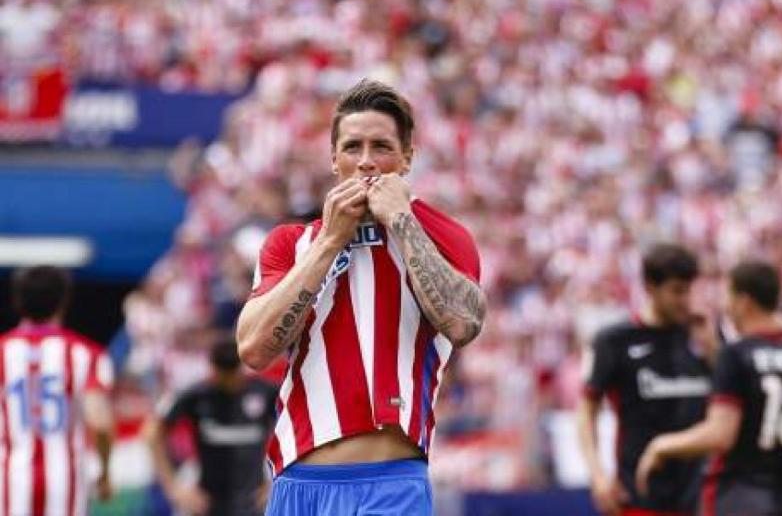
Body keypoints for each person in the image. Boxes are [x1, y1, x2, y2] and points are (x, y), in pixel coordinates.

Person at [235, 78, 486, 516]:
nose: (367, 162)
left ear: (407, 157)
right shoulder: (290, 243)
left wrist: (401, 221)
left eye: (382, 147)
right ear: (334, 159)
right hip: (299, 485)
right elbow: (254, 349)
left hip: (390, 484)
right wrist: (330, 242)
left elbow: (464, 324)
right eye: (352, 148)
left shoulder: (444, 236)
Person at [636, 261, 782, 516]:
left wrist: (662, 445)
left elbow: (720, 434)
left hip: (735, 495)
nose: (725, 306)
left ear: (744, 301)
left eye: (728, 296)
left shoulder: (737, 354)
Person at [577, 244, 714, 516]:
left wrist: (714, 351)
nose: (685, 300)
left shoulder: (702, 336)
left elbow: (725, 405)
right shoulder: (615, 340)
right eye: (676, 290)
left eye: (688, 290)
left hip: (698, 501)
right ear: (650, 287)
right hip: (639, 499)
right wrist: (598, 476)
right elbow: (586, 410)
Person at [0, 265, 114, 516]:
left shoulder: (2, 351)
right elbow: (100, 422)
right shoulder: (87, 354)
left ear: (17, 301)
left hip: (8, 482)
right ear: (64, 301)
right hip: (65, 483)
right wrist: (105, 474)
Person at [145, 337, 277, 516]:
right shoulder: (196, 395)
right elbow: (152, 432)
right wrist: (174, 487)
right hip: (207, 501)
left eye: (234, 373)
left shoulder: (265, 393)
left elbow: (294, 432)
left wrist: (276, 482)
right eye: (225, 375)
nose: (231, 382)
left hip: (256, 501)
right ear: (213, 369)